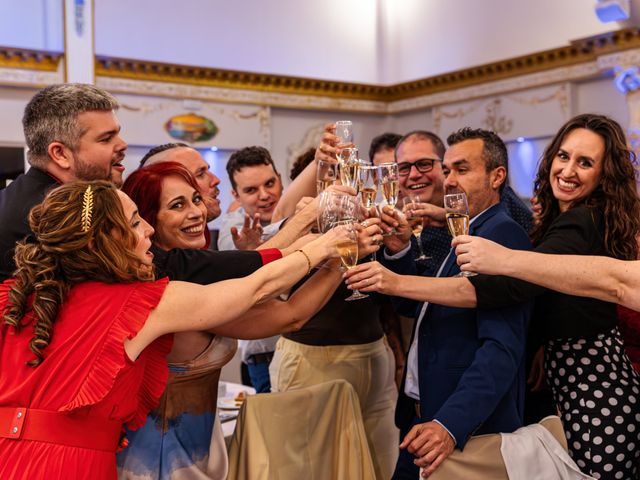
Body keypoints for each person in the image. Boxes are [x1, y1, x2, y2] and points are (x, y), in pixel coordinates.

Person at [346, 115, 640, 479]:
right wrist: (405, 246)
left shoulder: (569, 224)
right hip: (567, 385)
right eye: (563, 156)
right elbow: (422, 308)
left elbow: (498, 295)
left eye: (585, 162)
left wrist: (390, 281)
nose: (567, 170)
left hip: (591, 393)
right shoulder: (526, 222)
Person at [0, 180, 350, 480]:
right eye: (136, 223)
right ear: (103, 240)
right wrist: (324, 246)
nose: (148, 230)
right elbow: (254, 289)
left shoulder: (14, 297)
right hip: (70, 465)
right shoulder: (139, 303)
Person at [117, 163, 369, 479]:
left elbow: (268, 284)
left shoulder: (195, 278)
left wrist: (337, 254)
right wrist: (335, 253)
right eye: (177, 206)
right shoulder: (172, 295)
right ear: (150, 223)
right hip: (162, 455)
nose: (196, 212)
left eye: (196, 199)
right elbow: (287, 312)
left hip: (198, 442)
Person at [349, 128, 532, 479]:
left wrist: (449, 425)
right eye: (447, 170)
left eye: (462, 170)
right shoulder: (465, 230)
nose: (449, 181)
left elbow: (500, 349)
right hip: (423, 413)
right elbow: (424, 308)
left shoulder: (502, 233)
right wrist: (400, 247)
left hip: (460, 425)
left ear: (497, 176)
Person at [0, 83, 127, 281]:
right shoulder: (65, 215)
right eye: (106, 139)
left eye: (117, 133)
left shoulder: (19, 196)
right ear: (60, 154)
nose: (122, 145)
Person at [217, 146, 284, 251]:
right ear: (236, 196)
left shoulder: (299, 204)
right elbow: (230, 251)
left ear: (280, 181)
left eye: (269, 184)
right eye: (251, 190)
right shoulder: (232, 224)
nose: (264, 195)